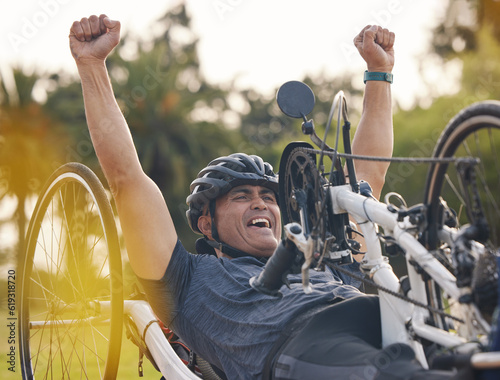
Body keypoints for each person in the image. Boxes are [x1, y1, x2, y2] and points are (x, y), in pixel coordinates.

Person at [69, 14, 455, 380]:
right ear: (207, 224)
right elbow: (125, 178)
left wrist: (379, 72)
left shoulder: (319, 255)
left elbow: (366, 177)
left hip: (386, 317)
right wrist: (91, 64)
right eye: (241, 196)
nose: (261, 204)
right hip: (303, 347)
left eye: (268, 197)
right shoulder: (184, 280)